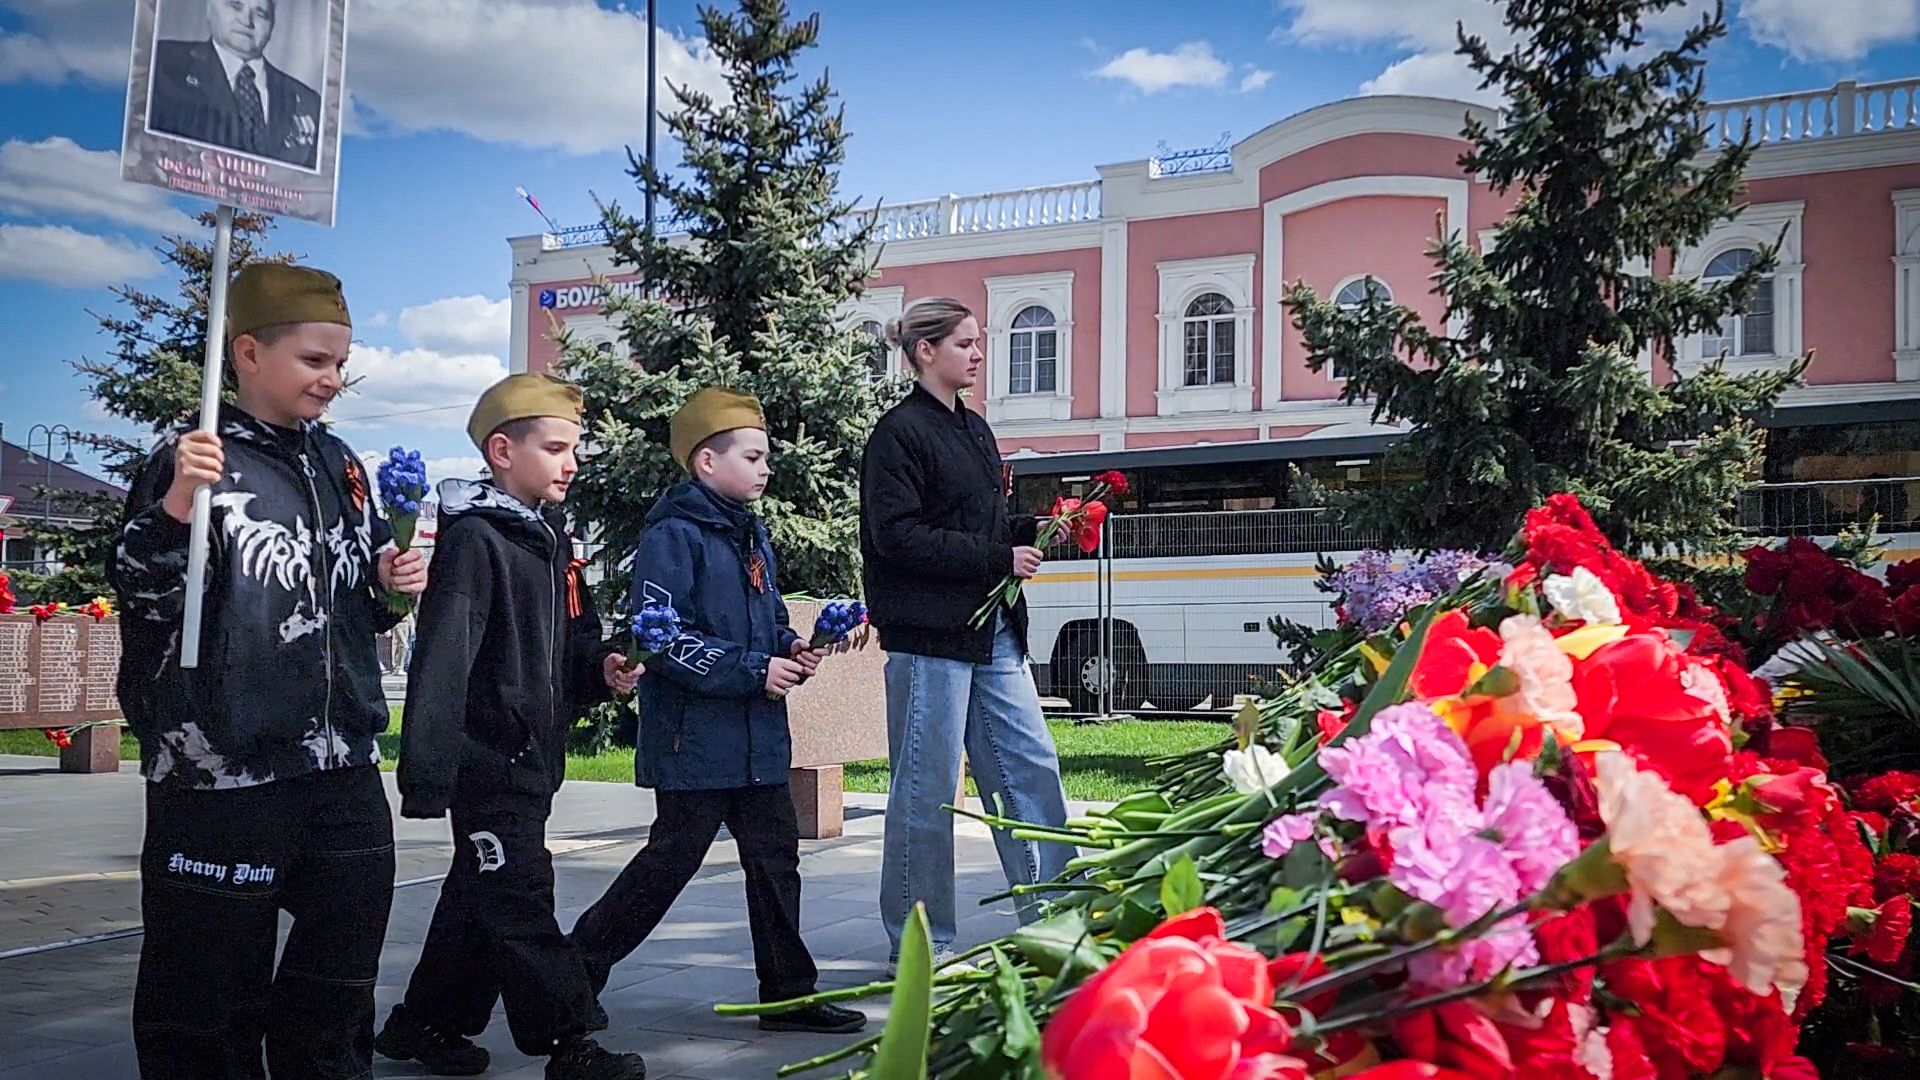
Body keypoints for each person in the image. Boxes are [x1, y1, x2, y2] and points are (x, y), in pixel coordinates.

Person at [110, 263, 428, 1078]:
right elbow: (142, 594)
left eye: (340, 363)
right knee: (207, 998)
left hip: (341, 767)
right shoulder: (193, 455)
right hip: (219, 771)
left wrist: (390, 589)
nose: (333, 380)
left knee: (337, 984)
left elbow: (357, 614)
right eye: (314, 361)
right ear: (247, 352)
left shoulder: (342, 465)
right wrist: (180, 501)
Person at [568, 388, 867, 1036]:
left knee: (776, 862)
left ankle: (788, 996)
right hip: (694, 743)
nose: (765, 469)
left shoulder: (749, 528)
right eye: (753, 456)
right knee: (667, 865)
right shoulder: (671, 536)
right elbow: (663, 637)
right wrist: (755, 670)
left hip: (757, 739)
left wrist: (788, 643)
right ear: (707, 461)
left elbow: (767, 612)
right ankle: (572, 975)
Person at [376, 373, 648, 1080]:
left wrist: (605, 668)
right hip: (486, 760)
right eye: (557, 447)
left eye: (574, 449)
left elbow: (573, 639)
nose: (572, 462)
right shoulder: (475, 542)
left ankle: (422, 1025)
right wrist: (430, 772)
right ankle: (570, 1043)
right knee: (520, 895)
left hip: (534, 756)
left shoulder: (551, 538)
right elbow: (444, 655)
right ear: (502, 450)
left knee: (479, 894)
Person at [859, 297, 1074, 969]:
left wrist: (1039, 529)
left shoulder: (975, 429)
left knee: (1031, 769)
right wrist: (995, 557)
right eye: (965, 344)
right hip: (929, 640)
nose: (979, 354)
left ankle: (1058, 915)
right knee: (926, 792)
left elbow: (980, 527)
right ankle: (922, 944)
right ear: (925, 351)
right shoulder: (897, 435)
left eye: (979, 343)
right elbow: (894, 539)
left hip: (993, 634)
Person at [149, 0, 322, 168]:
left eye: (260, 13)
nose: (246, 20)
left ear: (272, 26)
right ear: (210, 9)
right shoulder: (161, 63)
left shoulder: (308, 102)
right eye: (235, 6)